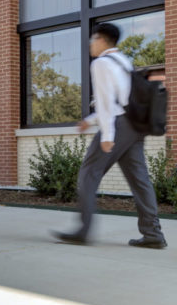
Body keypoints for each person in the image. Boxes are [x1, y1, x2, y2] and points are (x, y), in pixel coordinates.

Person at [52, 23, 166, 248]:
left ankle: (83, 231)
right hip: (134, 125)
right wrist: (90, 120)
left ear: (102, 40)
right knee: (140, 180)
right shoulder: (123, 61)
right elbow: (120, 98)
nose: (91, 45)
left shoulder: (101, 63)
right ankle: (153, 234)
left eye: (93, 40)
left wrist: (107, 135)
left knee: (88, 173)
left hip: (117, 125)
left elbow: (106, 102)